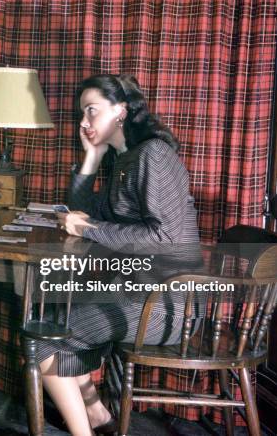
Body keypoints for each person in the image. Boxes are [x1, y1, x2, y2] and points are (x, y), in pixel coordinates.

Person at [41, 74, 201, 435]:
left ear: (122, 111)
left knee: (43, 334)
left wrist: (88, 229)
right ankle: (98, 417)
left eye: (91, 111)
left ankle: (88, 426)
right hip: (139, 292)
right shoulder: (125, 158)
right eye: (82, 112)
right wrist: (92, 157)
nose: (83, 122)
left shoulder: (153, 156)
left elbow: (165, 236)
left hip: (167, 303)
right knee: (51, 315)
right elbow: (81, 212)